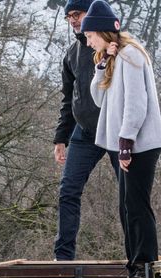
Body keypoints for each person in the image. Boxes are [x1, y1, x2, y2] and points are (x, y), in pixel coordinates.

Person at [82, 1, 161, 278]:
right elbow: (98, 98)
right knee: (126, 205)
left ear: (102, 32)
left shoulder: (130, 56)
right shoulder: (114, 59)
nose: (89, 42)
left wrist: (126, 143)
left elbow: (136, 104)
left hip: (139, 143)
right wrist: (103, 64)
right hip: (126, 144)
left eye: (90, 36)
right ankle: (135, 263)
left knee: (136, 203)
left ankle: (144, 264)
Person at [53, 0, 112, 261]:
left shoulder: (114, 46)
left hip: (114, 128)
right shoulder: (71, 54)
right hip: (85, 131)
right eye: (69, 16)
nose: (73, 20)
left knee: (129, 192)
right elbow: (68, 99)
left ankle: (139, 255)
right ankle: (63, 259)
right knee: (68, 190)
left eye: (77, 13)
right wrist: (60, 138)